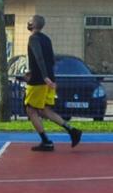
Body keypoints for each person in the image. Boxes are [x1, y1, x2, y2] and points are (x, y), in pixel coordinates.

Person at [21, 14, 82, 151]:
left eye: (30, 21)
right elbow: (51, 60)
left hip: (39, 81)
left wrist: (44, 77)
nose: (28, 23)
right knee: (44, 110)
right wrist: (48, 76)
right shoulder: (46, 39)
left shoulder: (33, 38)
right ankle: (72, 130)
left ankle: (46, 141)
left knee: (30, 109)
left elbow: (39, 58)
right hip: (49, 78)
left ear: (34, 24)